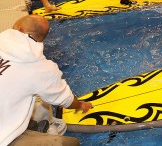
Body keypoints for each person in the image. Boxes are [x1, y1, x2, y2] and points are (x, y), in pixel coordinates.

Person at [0, 15, 93, 145]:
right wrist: (81, 105)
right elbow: (65, 99)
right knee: (71, 143)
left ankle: (29, 128)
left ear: (20, 29)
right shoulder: (40, 67)